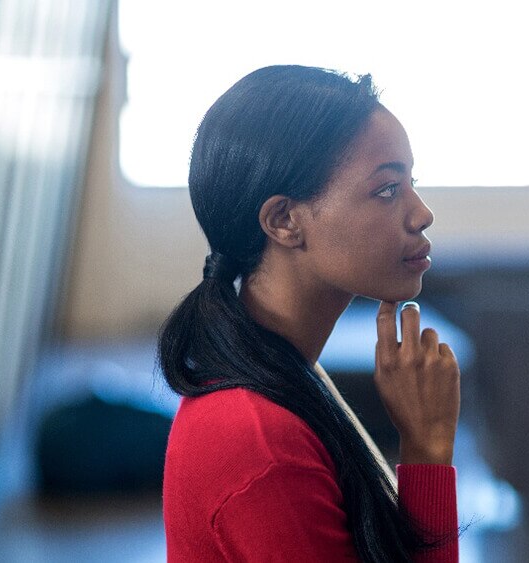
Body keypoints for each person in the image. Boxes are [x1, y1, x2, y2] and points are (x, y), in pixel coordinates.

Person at [158, 65, 461, 562]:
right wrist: (427, 446)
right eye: (387, 189)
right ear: (284, 221)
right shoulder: (260, 444)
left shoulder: (288, 373)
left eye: (411, 182)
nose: (421, 212)